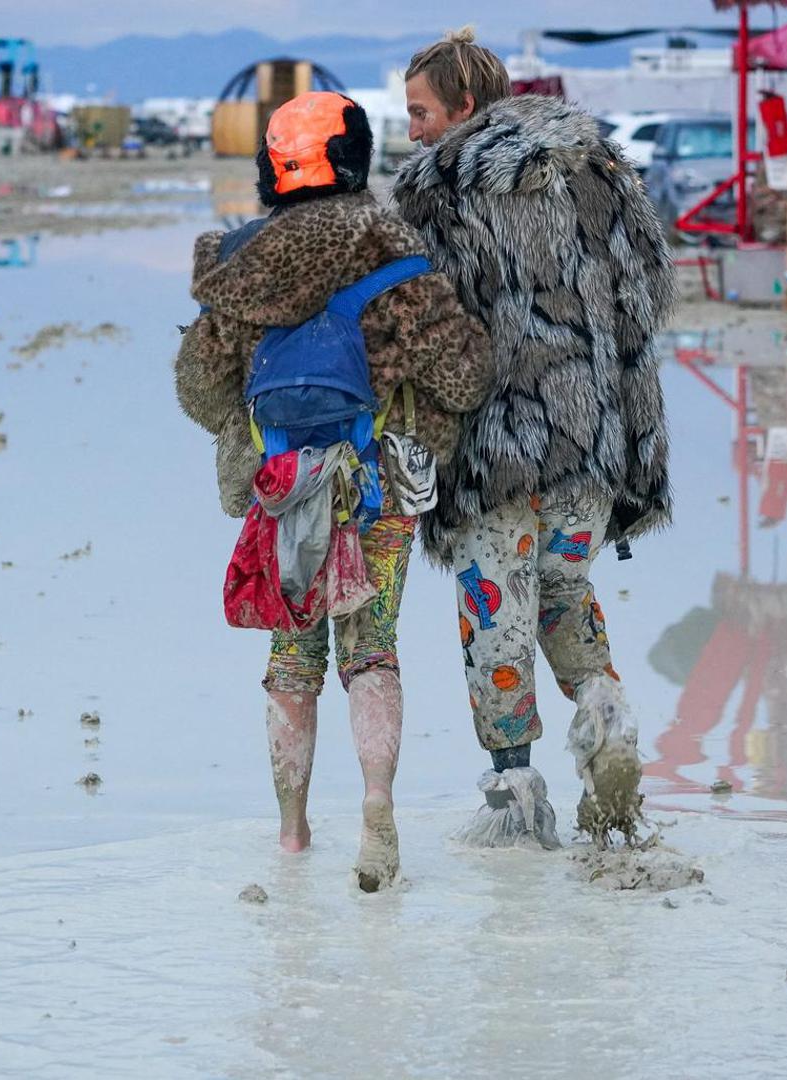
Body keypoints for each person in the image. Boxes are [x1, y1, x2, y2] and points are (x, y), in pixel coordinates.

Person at [176, 91, 492, 890]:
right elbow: (463, 373)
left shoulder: (238, 262)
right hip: (376, 483)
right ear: (352, 158)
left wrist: (262, 438)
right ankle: (378, 806)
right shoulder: (393, 249)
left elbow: (199, 390)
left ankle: (290, 834)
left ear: (272, 166)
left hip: (278, 488)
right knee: (372, 647)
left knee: (292, 658)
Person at [393, 29, 677, 843]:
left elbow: (426, 333)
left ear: (464, 107)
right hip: (596, 437)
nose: (411, 130)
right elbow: (650, 293)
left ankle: (515, 794)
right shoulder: (602, 169)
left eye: (419, 112)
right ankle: (608, 718)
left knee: (496, 613)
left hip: (496, 446)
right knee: (562, 592)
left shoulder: (440, 189)